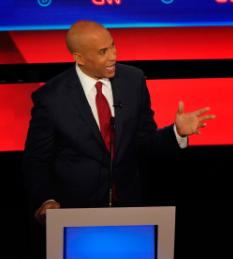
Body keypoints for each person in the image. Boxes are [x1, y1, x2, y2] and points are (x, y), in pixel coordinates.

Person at [23, 20, 215, 225]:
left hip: (128, 209)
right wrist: (47, 200)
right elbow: (36, 161)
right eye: (103, 51)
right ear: (80, 58)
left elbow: (145, 142)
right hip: (75, 214)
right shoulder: (51, 98)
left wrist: (177, 132)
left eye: (113, 45)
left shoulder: (133, 80)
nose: (113, 56)